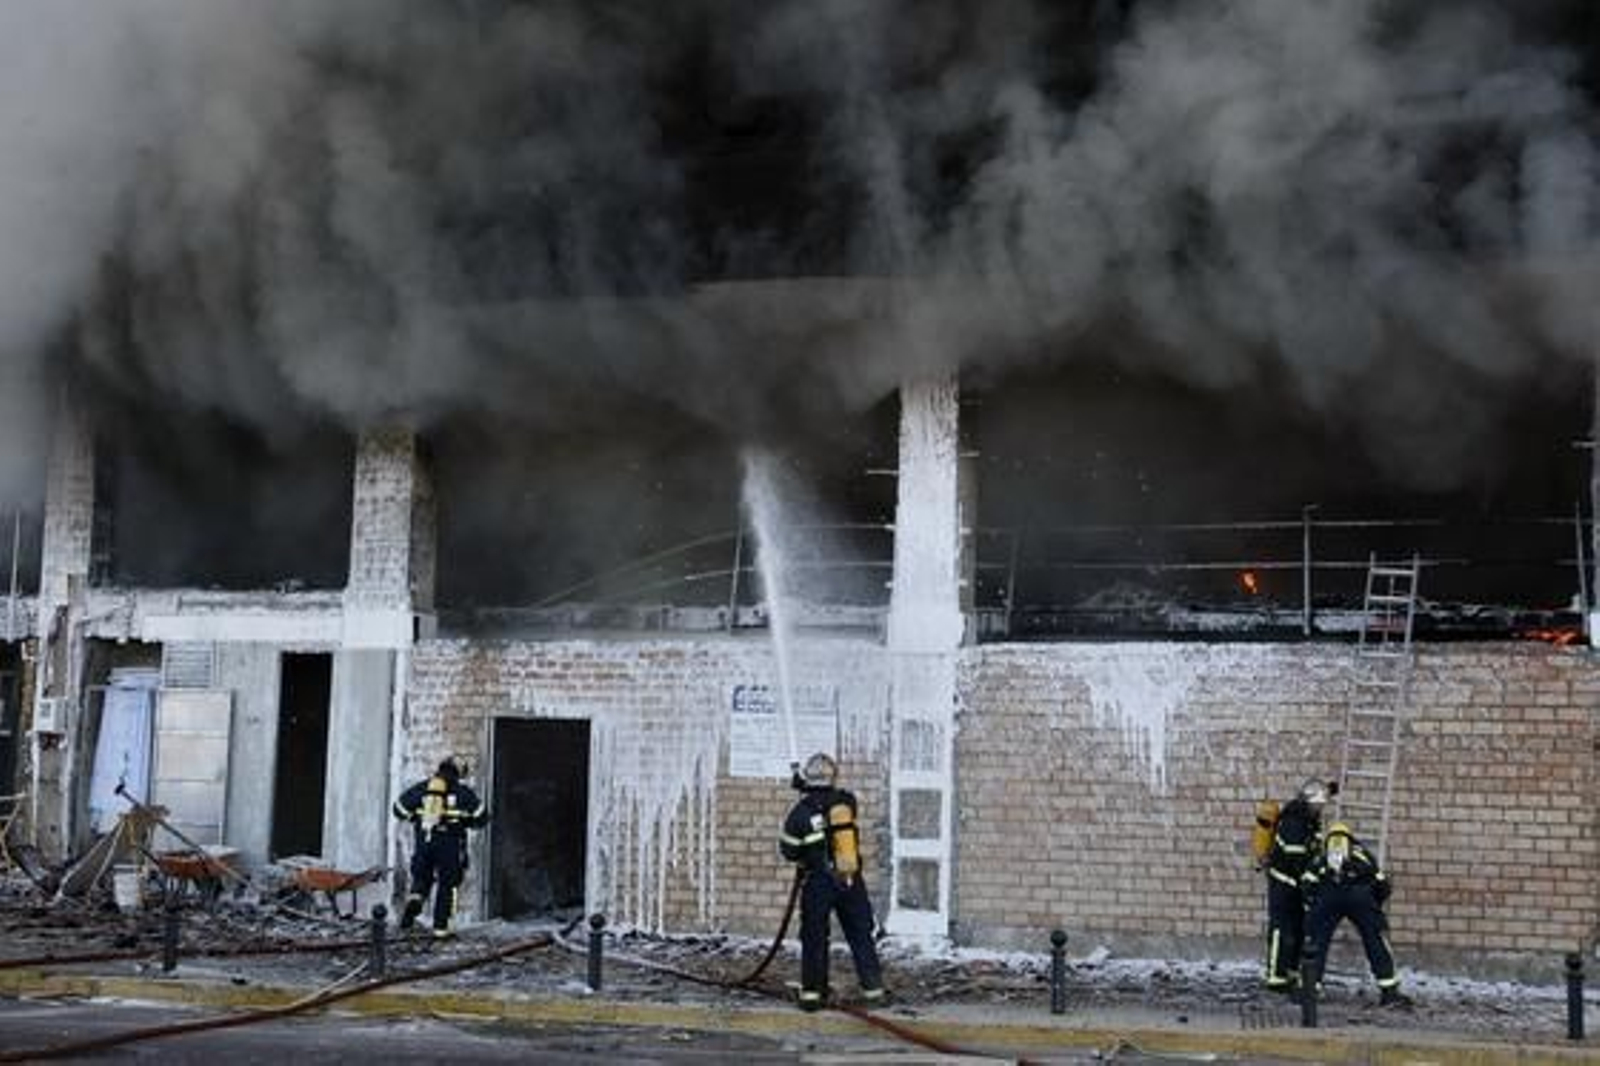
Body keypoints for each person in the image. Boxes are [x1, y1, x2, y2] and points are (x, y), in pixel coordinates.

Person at [778, 752, 886, 1011]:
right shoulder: (845, 802)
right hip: (850, 879)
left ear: (808, 778)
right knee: (860, 934)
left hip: (819, 882)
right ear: (833, 777)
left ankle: (812, 996)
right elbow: (835, 804)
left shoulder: (800, 812)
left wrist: (804, 794)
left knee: (815, 937)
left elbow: (789, 851)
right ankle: (874, 992)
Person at [1300, 821, 1412, 1008]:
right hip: (1360, 896)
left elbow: (1307, 884)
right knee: (1375, 940)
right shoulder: (1360, 853)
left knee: (1316, 941)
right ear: (1350, 838)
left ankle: (1310, 990)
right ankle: (1389, 991)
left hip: (1327, 896)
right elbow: (1382, 883)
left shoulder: (1321, 856)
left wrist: (1313, 908)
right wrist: (1374, 907)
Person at [392, 757, 489, 937]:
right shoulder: (463, 793)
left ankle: (416, 898)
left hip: (424, 842)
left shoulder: (422, 789)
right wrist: (466, 822)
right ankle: (441, 928)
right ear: (458, 774)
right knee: (448, 884)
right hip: (450, 845)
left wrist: (416, 819)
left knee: (422, 877)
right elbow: (483, 817)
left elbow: (398, 809)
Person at [1261, 778, 1330, 993]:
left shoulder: (1308, 819)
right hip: (1283, 883)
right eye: (1318, 805)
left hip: (1297, 884)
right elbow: (1296, 856)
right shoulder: (1294, 820)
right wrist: (1311, 876)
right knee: (1282, 930)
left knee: (1298, 930)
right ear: (1308, 802)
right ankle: (1276, 977)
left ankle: (1290, 972)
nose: (1320, 809)